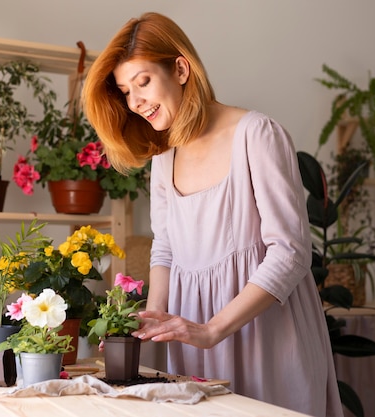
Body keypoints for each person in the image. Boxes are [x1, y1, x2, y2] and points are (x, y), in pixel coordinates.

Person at [82, 12, 344, 417]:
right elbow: (165, 249)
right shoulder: (163, 158)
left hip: (265, 335)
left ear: (181, 69)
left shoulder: (257, 134)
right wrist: (152, 326)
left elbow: (290, 252)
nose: (134, 102)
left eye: (143, 82)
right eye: (125, 91)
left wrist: (212, 330)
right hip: (192, 341)